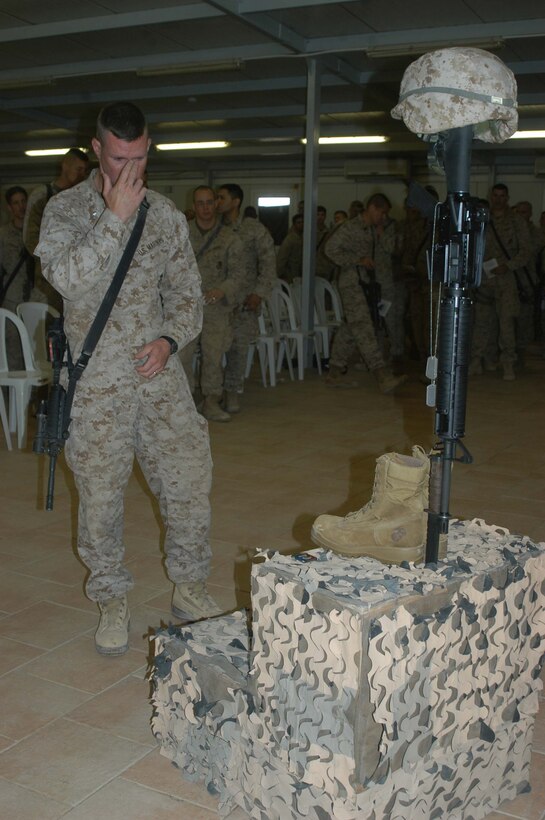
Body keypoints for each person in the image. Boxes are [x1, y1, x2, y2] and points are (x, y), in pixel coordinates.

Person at [36, 102, 220, 657]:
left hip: (159, 380)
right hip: (96, 386)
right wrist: (113, 218)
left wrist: (169, 341)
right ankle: (111, 598)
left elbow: (188, 297)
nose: (130, 170)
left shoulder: (165, 215)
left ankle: (188, 587)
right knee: (99, 498)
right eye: (119, 159)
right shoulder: (65, 211)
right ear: (97, 150)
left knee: (189, 482)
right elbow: (66, 279)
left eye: (140, 158)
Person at [324, 193, 407, 393]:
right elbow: (330, 249)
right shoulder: (351, 227)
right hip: (351, 283)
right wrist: (357, 260)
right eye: (383, 213)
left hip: (364, 284)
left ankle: (333, 373)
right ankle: (382, 375)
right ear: (372, 208)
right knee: (363, 327)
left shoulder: (370, 230)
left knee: (350, 327)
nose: (384, 218)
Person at [181, 185, 246, 422]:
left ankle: (210, 401)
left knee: (213, 355)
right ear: (194, 205)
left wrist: (223, 290)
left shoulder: (230, 238)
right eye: (201, 203)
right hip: (187, 306)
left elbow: (239, 274)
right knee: (183, 356)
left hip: (216, 307)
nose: (206, 208)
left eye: (210, 202)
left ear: (215, 205)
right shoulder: (182, 234)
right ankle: (186, 403)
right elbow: (169, 268)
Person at [215, 183, 277, 414]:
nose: (217, 202)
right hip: (218, 302)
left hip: (243, 302)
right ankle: (213, 393)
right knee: (214, 349)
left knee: (238, 350)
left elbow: (269, 263)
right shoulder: (213, 228)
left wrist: (259, 293)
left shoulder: (254, 229)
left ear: (236, 201)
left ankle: (232, 393)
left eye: (221, 198)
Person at [470, 183, 532, 380]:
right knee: (481, 323)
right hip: (485, 279)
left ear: (507, 198)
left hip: (506, 281)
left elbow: (526, 252)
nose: (498, 199)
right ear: (491, 196)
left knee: (506, 324)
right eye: (495, 195)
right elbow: (472, 248)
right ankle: (477, 360)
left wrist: (509, 266)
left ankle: (508, 363)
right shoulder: (482, 220)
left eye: (502, 196)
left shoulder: (516, 222)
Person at [24, 148, 90, 311]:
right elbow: (29, 238)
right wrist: (55, 257)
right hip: (46, 284)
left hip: (76, 282)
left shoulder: (83, 197)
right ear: (65, 166)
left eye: (84, 170)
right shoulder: (42, 195)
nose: (82, 175)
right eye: (78, 169)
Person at [0, 186, 33, 367]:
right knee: (12, 353)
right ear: (9, 207)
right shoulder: (3, 236)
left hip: (37, 298)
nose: (21, 206)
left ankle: (37, 395)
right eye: (16, 203)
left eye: (23, 201)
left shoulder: (37, 232)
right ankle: (14, 394)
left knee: (37, 351)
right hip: (12, 300)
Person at [276, 213, 304, 282]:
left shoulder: (304, 238)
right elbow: (282, 258)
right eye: (299, 222)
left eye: (303, 222)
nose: (301, 224)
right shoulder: (290, 239)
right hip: (291, 276)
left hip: (301, 274)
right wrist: (279, 275)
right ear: (294, 225)